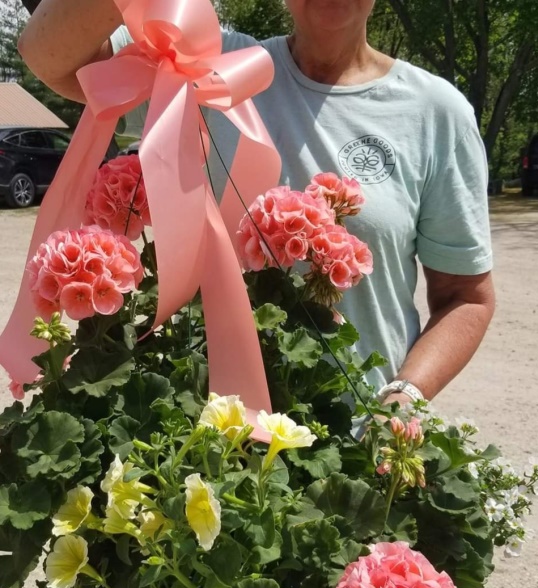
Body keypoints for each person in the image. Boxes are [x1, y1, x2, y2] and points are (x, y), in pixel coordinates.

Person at [17, 0, 495, 408]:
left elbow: (466, 298)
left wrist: (406, 396)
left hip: (361, 433)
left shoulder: (435, 112)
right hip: (210, 435)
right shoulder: (212, 66)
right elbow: (53, 59)